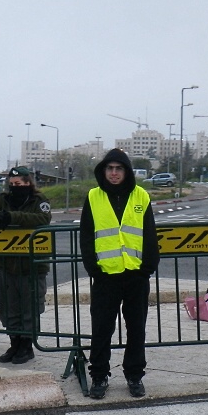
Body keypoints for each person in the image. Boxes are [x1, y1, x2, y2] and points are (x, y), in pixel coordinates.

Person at [80, 148, 159, 400]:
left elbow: (150, 235)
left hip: (136, 276)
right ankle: (99, 376)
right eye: (110, 168)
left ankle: (134, 375)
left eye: (119, 168)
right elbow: (85, 237)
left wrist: (147, 268)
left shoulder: (141, 195)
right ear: (104, 171)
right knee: (102, 329)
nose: (114, 173)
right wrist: (94, 270)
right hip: (106, 277)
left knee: (137, 329)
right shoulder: (93, 196)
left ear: (126, 171)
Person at [0, 166, 51, 364]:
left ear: (28, 183)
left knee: (29, 308)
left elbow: (42, 218)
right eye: (11, 185)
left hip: (32, 265)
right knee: (8, 308)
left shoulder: (39, 200)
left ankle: (27, 346)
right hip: (7, 263)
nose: (14, 188)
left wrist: (13, 217)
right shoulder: (3, 200)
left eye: (18, 184)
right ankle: (14, 343)